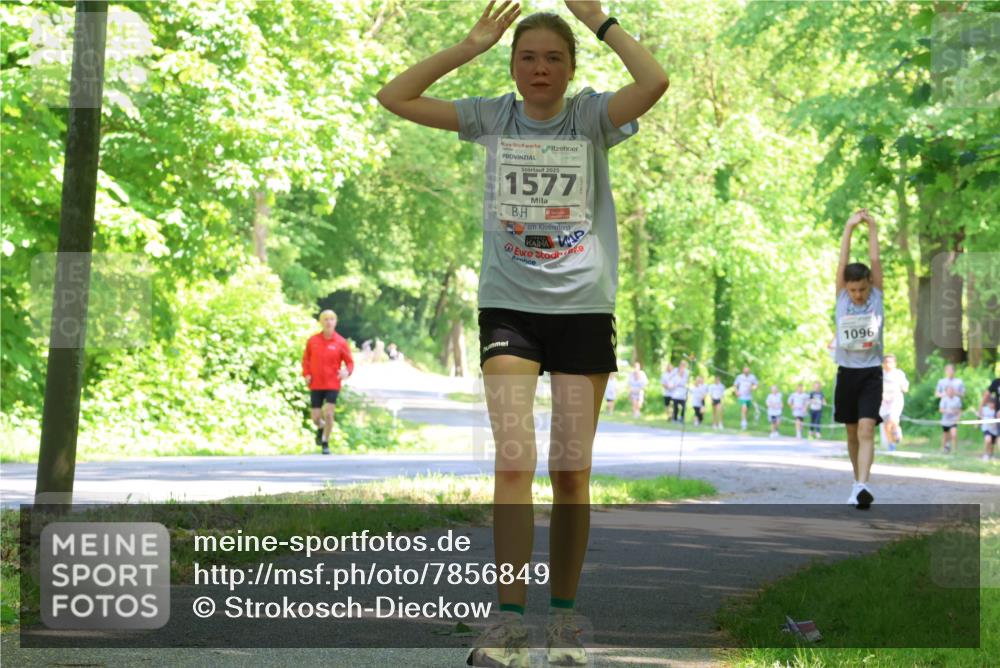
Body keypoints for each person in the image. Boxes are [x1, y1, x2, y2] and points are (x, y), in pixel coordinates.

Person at [376, 2, 669, 665]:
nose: (540, 68)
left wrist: (600, 21)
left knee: (570, 472)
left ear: (570, 68)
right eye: (527, 57)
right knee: (513, 462)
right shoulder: (490, 116)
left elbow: (654, 83)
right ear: (512, 66)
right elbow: (394, 96)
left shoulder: (593, 117)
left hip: (582, 311)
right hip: (509, 307)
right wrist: (470, 44)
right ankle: (507, 626)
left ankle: (563, 628)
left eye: (553, 58)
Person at [833, 208, 883, 510]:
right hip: (846, 372)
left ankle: (864, 484)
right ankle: (856, 483)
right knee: (852, 432)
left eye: (862, 288)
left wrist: (872, 227)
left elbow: (876, 261)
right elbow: (842, 261)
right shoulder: (841, 296)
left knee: (866, 428)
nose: (858, 295)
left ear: (869, 284)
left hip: (871, 373)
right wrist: (849, 227)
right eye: (852, 290)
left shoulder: (876, 295)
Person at [301, 310, 354, 455]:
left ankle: (325, 442)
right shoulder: (313, 341)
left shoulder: (340, 342)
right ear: (321, 322)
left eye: (331, 319)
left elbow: (349, 363)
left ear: (335, 322)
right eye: (325, 319)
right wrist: (306, 374)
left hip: (332, 383)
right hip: (316, 383)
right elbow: (306, 360)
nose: (328, 322)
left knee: (329, 413)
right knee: (316, 418)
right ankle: (321, 427)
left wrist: (346, 372)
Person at [878, 353, 909, 451]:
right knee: (886, 425)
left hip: (896, 401)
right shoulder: (879, 374)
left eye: (890, 362)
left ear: (894, 363)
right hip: (884, 403)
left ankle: (897, 433)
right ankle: (891, 444)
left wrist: (904, 388)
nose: (888, 364)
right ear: (883, 364)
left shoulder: (898, 374)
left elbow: (905, 386)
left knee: (892, 420)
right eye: (886, 362)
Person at [732, 366, 758, 430]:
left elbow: (756, 385)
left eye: (747, 371)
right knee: (744, 408)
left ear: (749, 371)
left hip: (748, 397)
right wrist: (736, 392)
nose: (746, 372)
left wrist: (752, 388)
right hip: (741, 396)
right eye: (745, 371)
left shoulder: (752, 377)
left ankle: (744, 420)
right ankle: (744, 423)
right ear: (743, 371)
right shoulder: (739, 377)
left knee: (745, 411)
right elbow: (735, 385)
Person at [939, 384, 962, 453]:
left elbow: (959, 410)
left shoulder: (957, 399)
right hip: (945, 420)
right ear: (946, 391)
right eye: (949, 390)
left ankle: (954, 450)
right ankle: (943, 448)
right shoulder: (944, 399)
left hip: (953, 420)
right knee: (945, 435)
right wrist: (947, 411)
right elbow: (941, 409)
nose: (951, 392)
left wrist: (958, 417)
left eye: (952, 390)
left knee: (954, 434)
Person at [980, 394, 997, 462]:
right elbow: (980, 416)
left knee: (992, 444)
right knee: (988, 440)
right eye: (990, 403)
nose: (991, 405)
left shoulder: (996, 411)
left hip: (994, 429)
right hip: (986, 428)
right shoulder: (984, 409)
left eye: (992, 403)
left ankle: (991, 454)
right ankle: (985, 454)